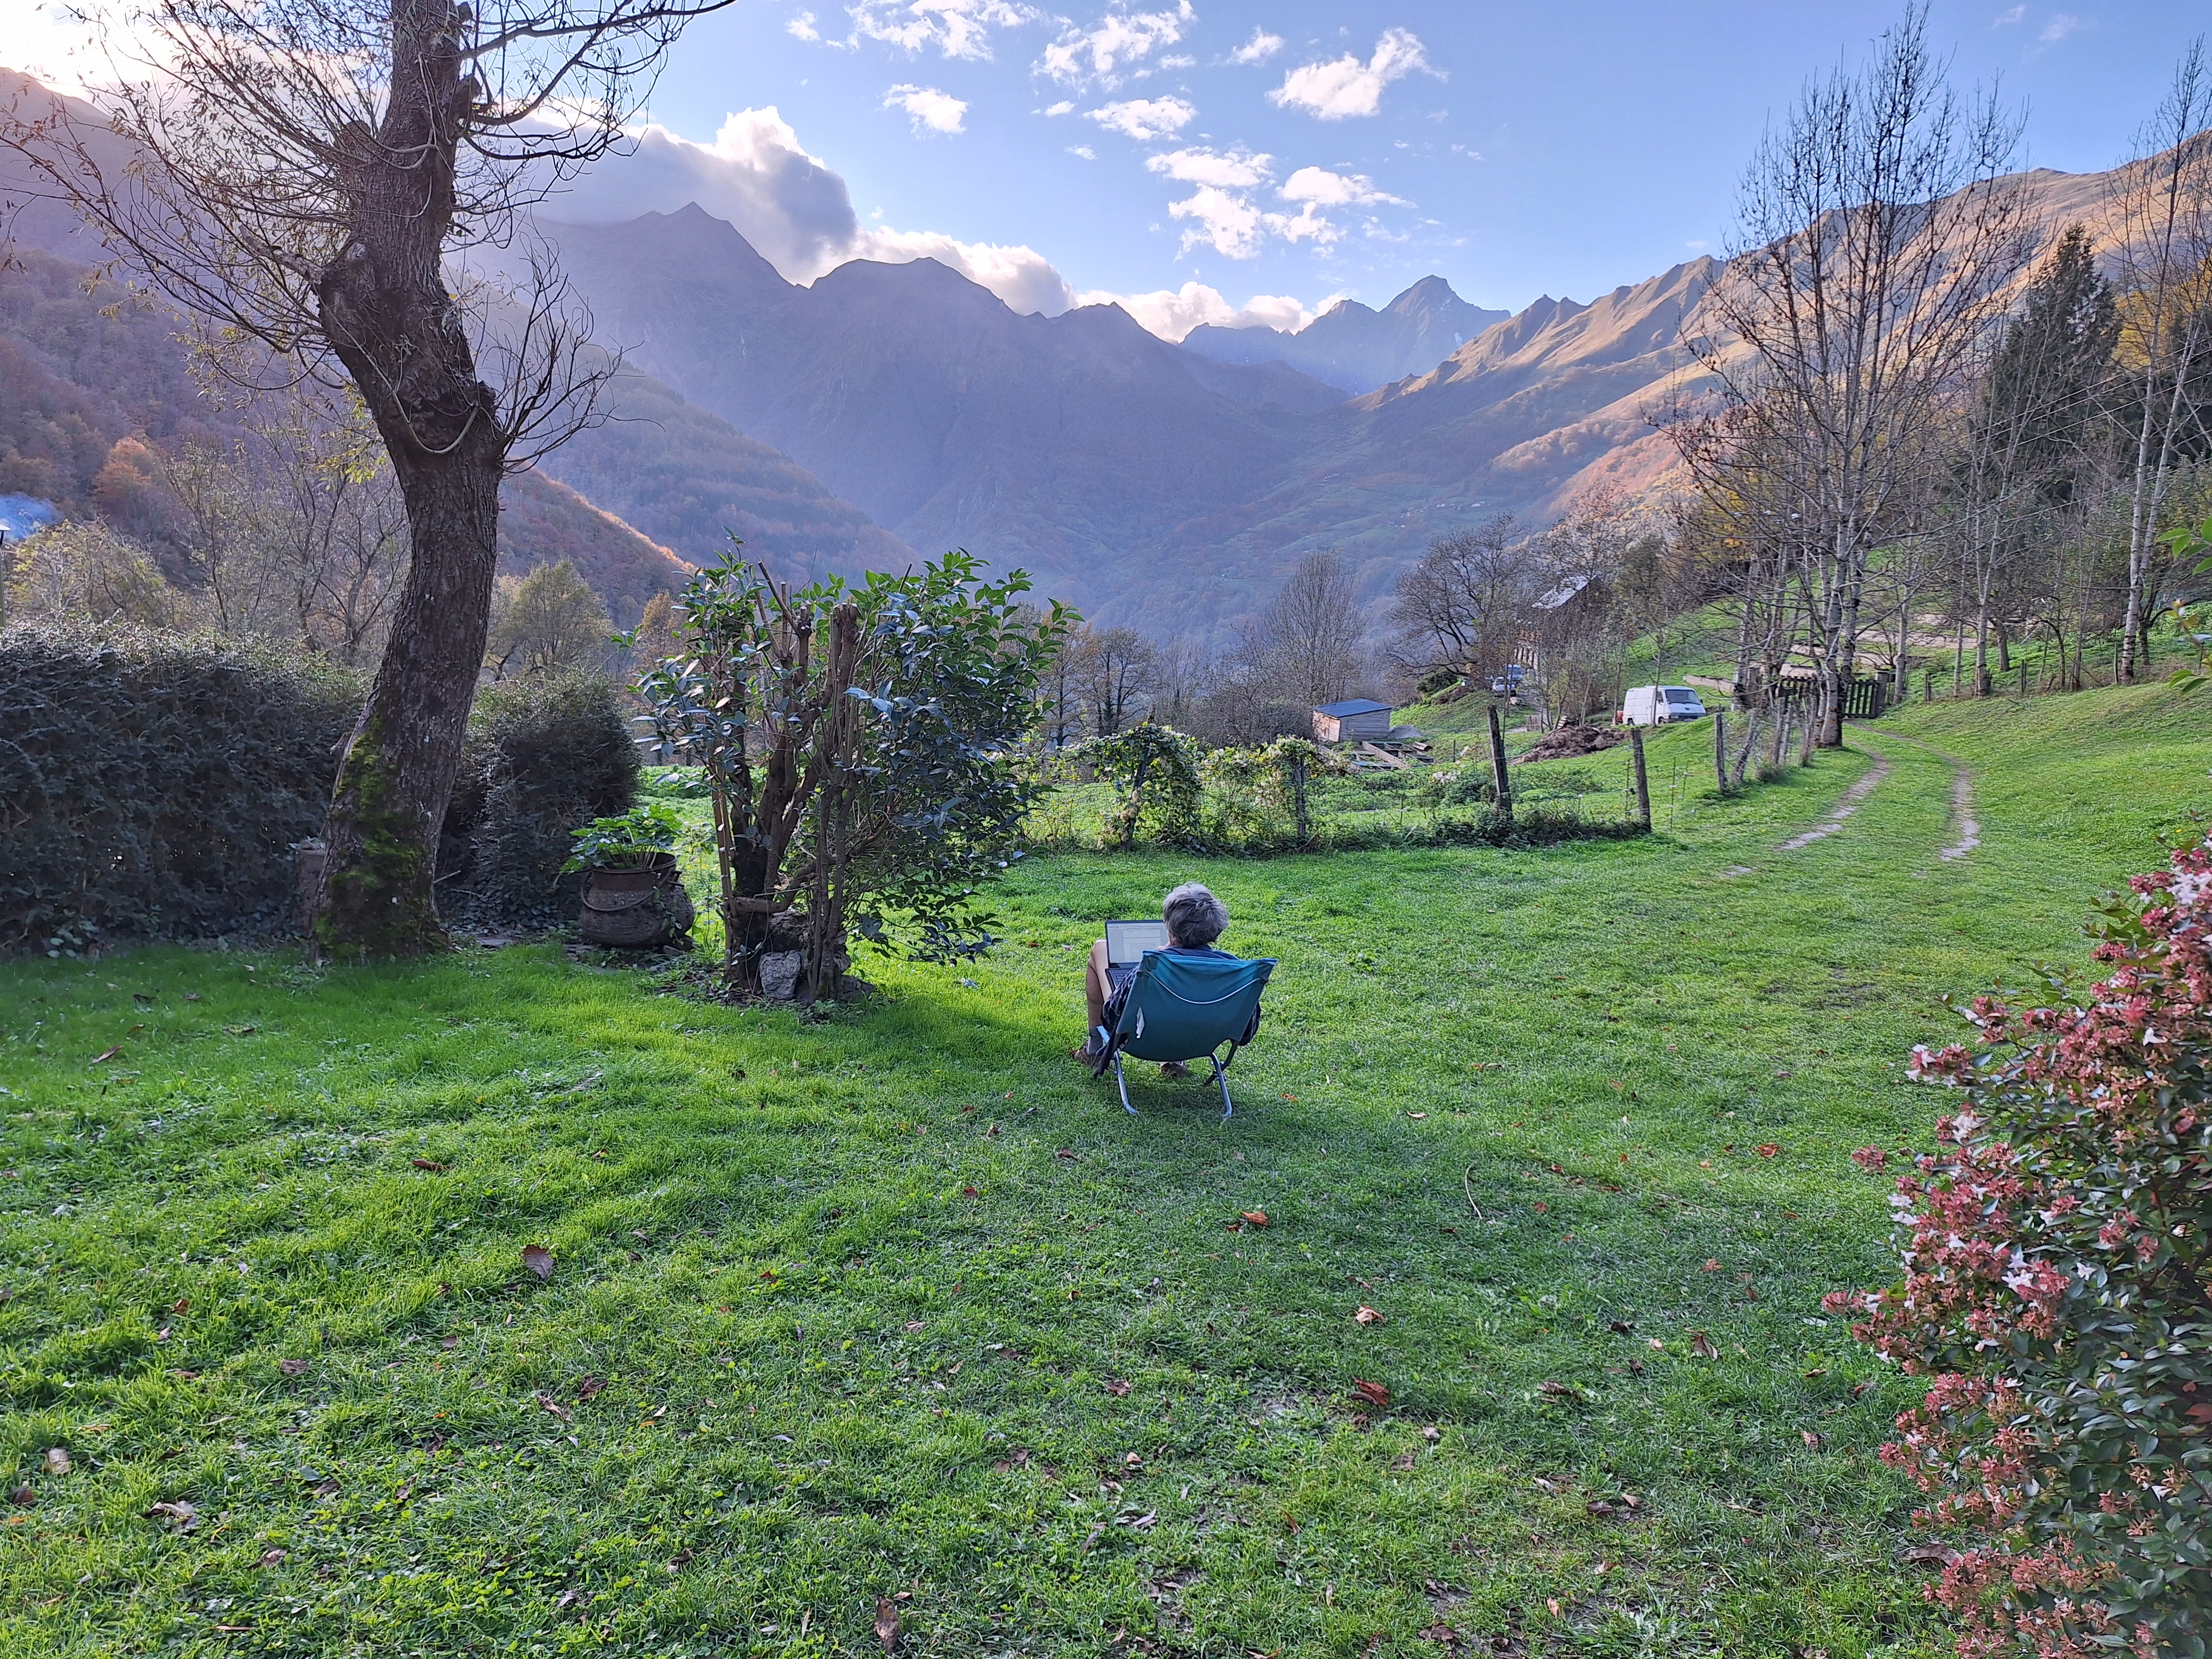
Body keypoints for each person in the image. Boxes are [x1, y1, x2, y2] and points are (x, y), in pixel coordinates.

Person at [1078, 882, 1235, 1079]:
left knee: (1100, 949)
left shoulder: (1151, 965)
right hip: (1202, 1039)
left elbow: (1112, 1014)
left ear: (1169, 929)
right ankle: (1175, 1059)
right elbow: (1248, 1026)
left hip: (1142, 1036)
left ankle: (1095, 1047)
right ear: (1216, 928)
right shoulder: (1233, 969)